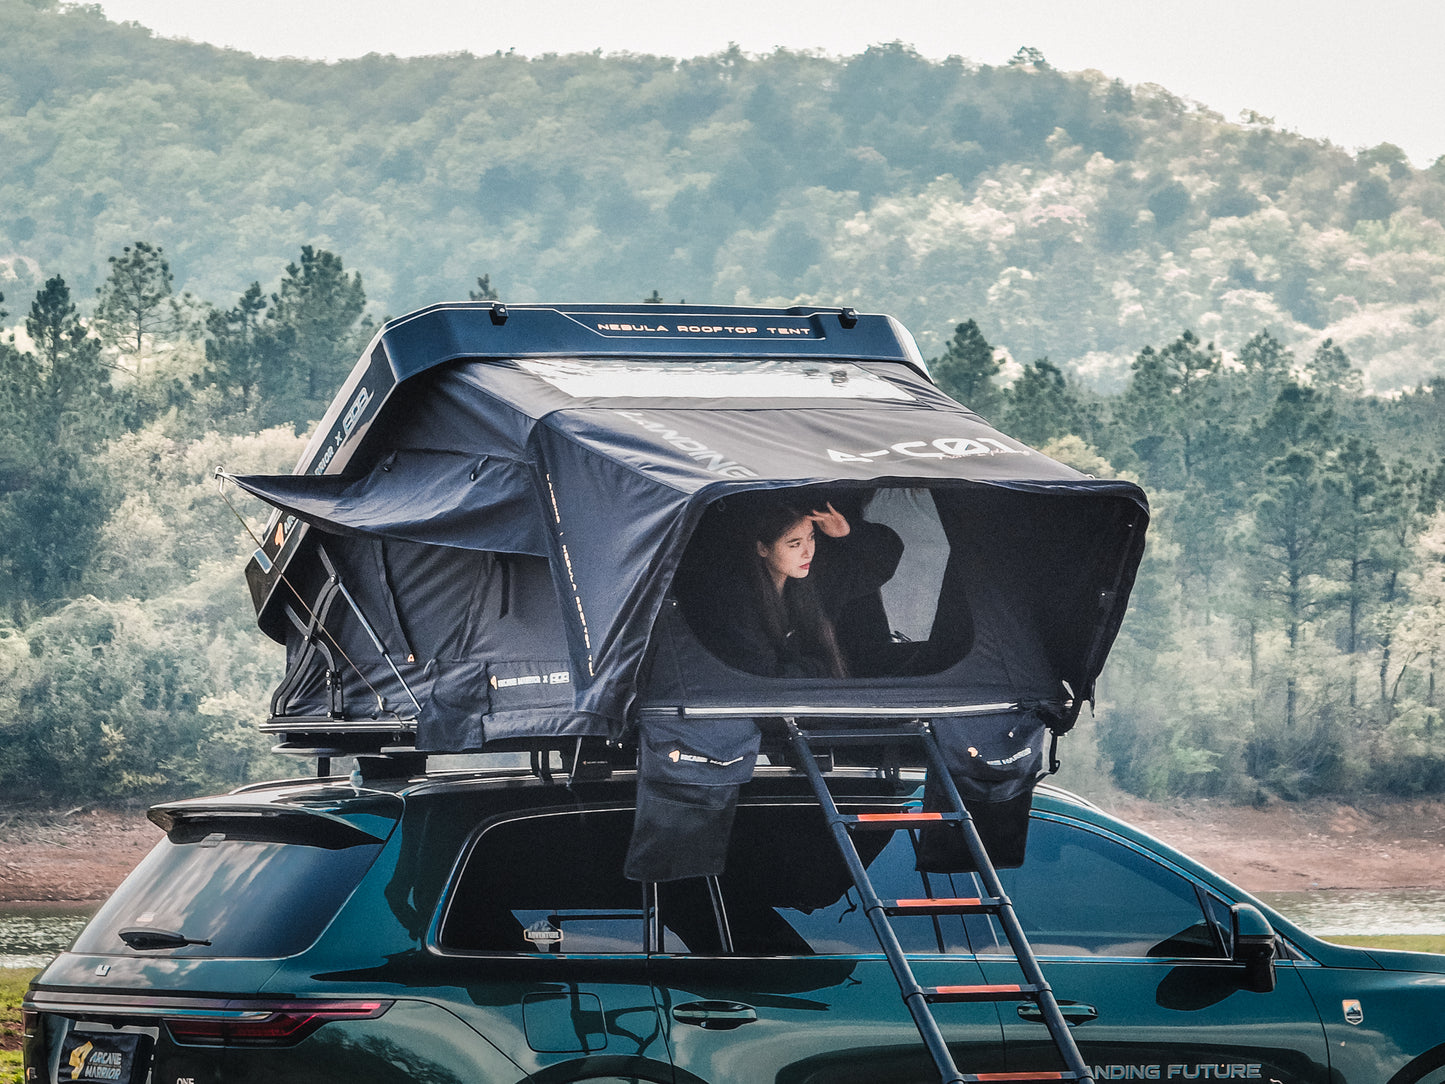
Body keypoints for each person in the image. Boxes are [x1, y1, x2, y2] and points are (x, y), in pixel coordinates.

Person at [700, 495, 903, 678]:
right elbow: (764, 673)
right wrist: (820, 667)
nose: (807, 552)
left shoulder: (818, 582)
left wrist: (848, 533)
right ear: (762, 548)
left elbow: (884, 561)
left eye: (811, 538)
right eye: (794, 544)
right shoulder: (738, 602)